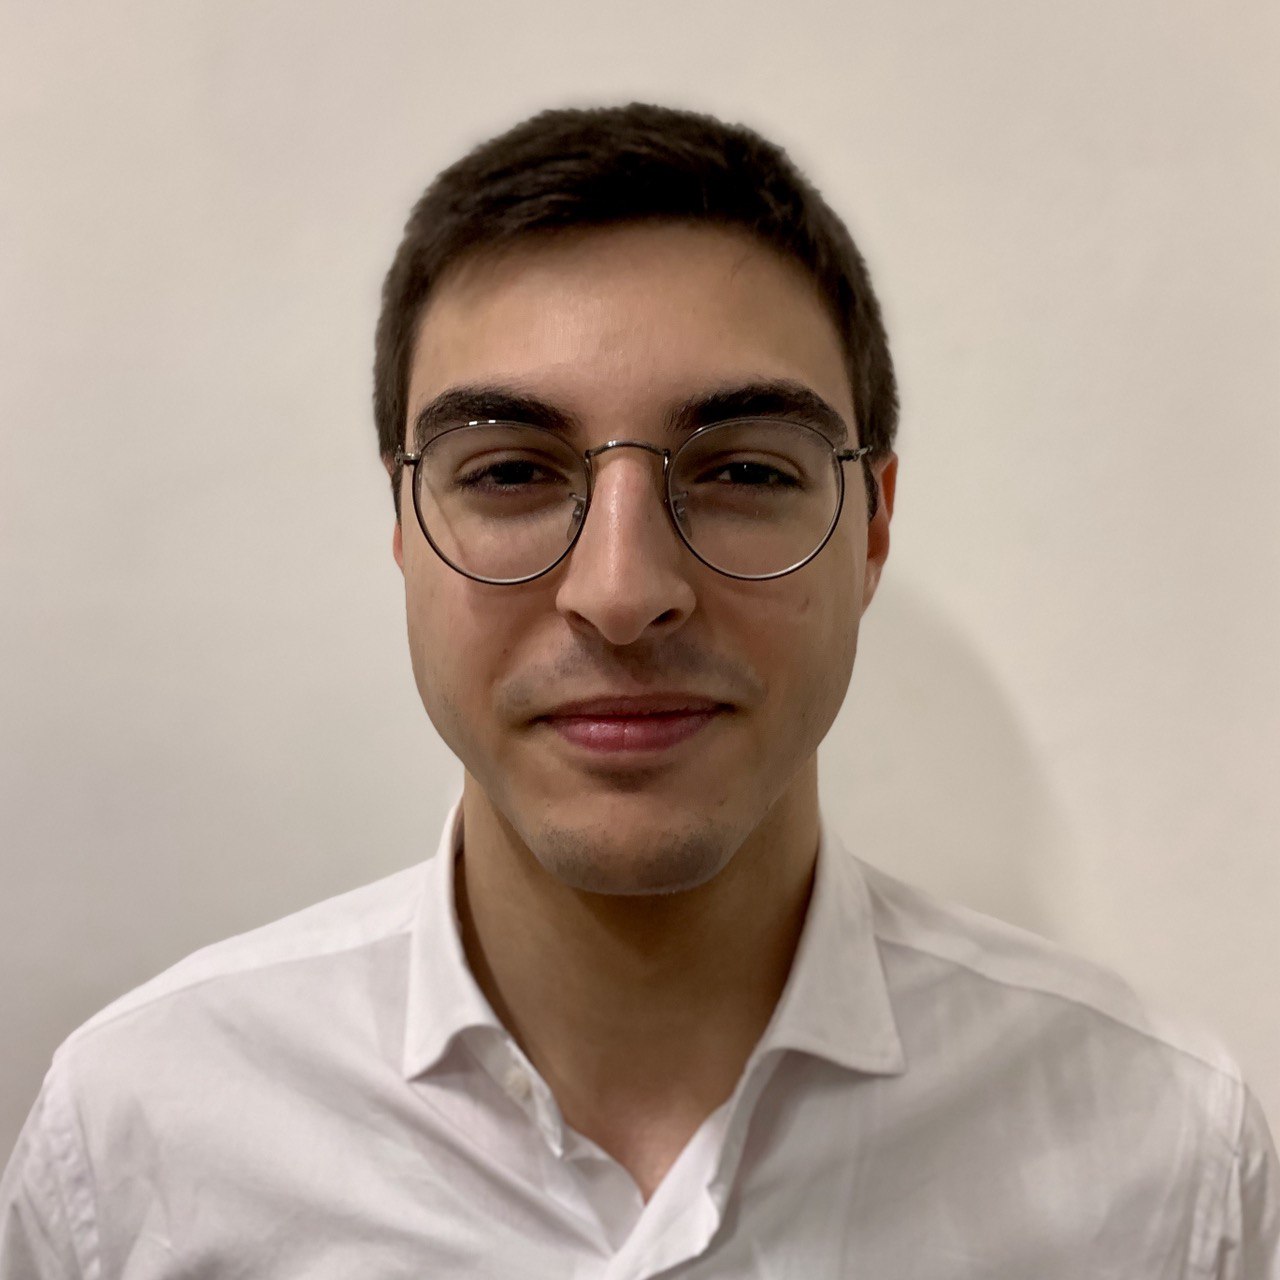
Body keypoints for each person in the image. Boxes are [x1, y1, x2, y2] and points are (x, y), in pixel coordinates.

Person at [2, 101, 1276, 1279]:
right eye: (509, 472)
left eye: (743, 471)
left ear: (871, 527)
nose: (620, 591)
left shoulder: (1163, 1162)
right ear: (402, 524)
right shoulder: (137, 1143)